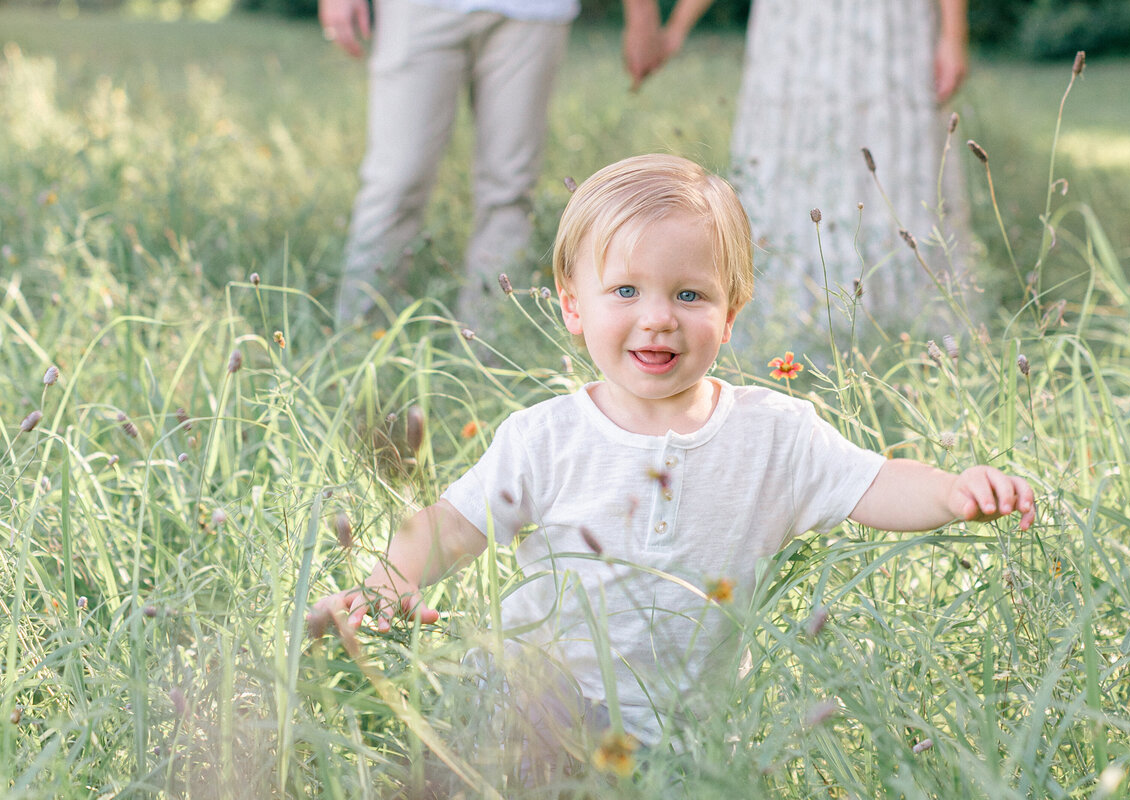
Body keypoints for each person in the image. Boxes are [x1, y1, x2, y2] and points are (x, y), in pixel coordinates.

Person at [310, 154, 1035, 766]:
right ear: (573, 307)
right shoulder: (546, 436)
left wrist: (954, 493)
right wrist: (385, 585)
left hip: (685, 736)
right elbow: (452, 525)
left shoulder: (775, 434)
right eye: (626, 290)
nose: (658, 316)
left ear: (733, 310)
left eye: (690, 294)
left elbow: (872, 482)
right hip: (536, 700)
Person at [650, 0, 972, 358]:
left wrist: (953, 35)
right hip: (793, 30)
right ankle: (780, 322)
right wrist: (676, 27)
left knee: (891, 156)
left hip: (889, 25)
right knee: (786, 155)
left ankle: (906, 331)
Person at [320, 0, 672, 325]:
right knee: (395, 181)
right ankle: (356, 342)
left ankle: (485, 354)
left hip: (533, 14)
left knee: (510, 188)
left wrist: (642, 16)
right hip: (419, 9)